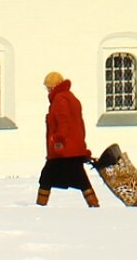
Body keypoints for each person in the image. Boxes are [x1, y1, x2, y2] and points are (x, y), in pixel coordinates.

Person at [37, 71, 98, 207]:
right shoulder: (71, 97)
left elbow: (64, 121)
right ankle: (93, 204)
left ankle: (40, 207)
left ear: (54, 86)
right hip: (73, 148)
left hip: (64, 150)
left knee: (46, 177)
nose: (48, 90)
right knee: (80, 178)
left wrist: (59, 140)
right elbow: (78, 124)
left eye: (48, 87)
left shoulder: (59, 99)